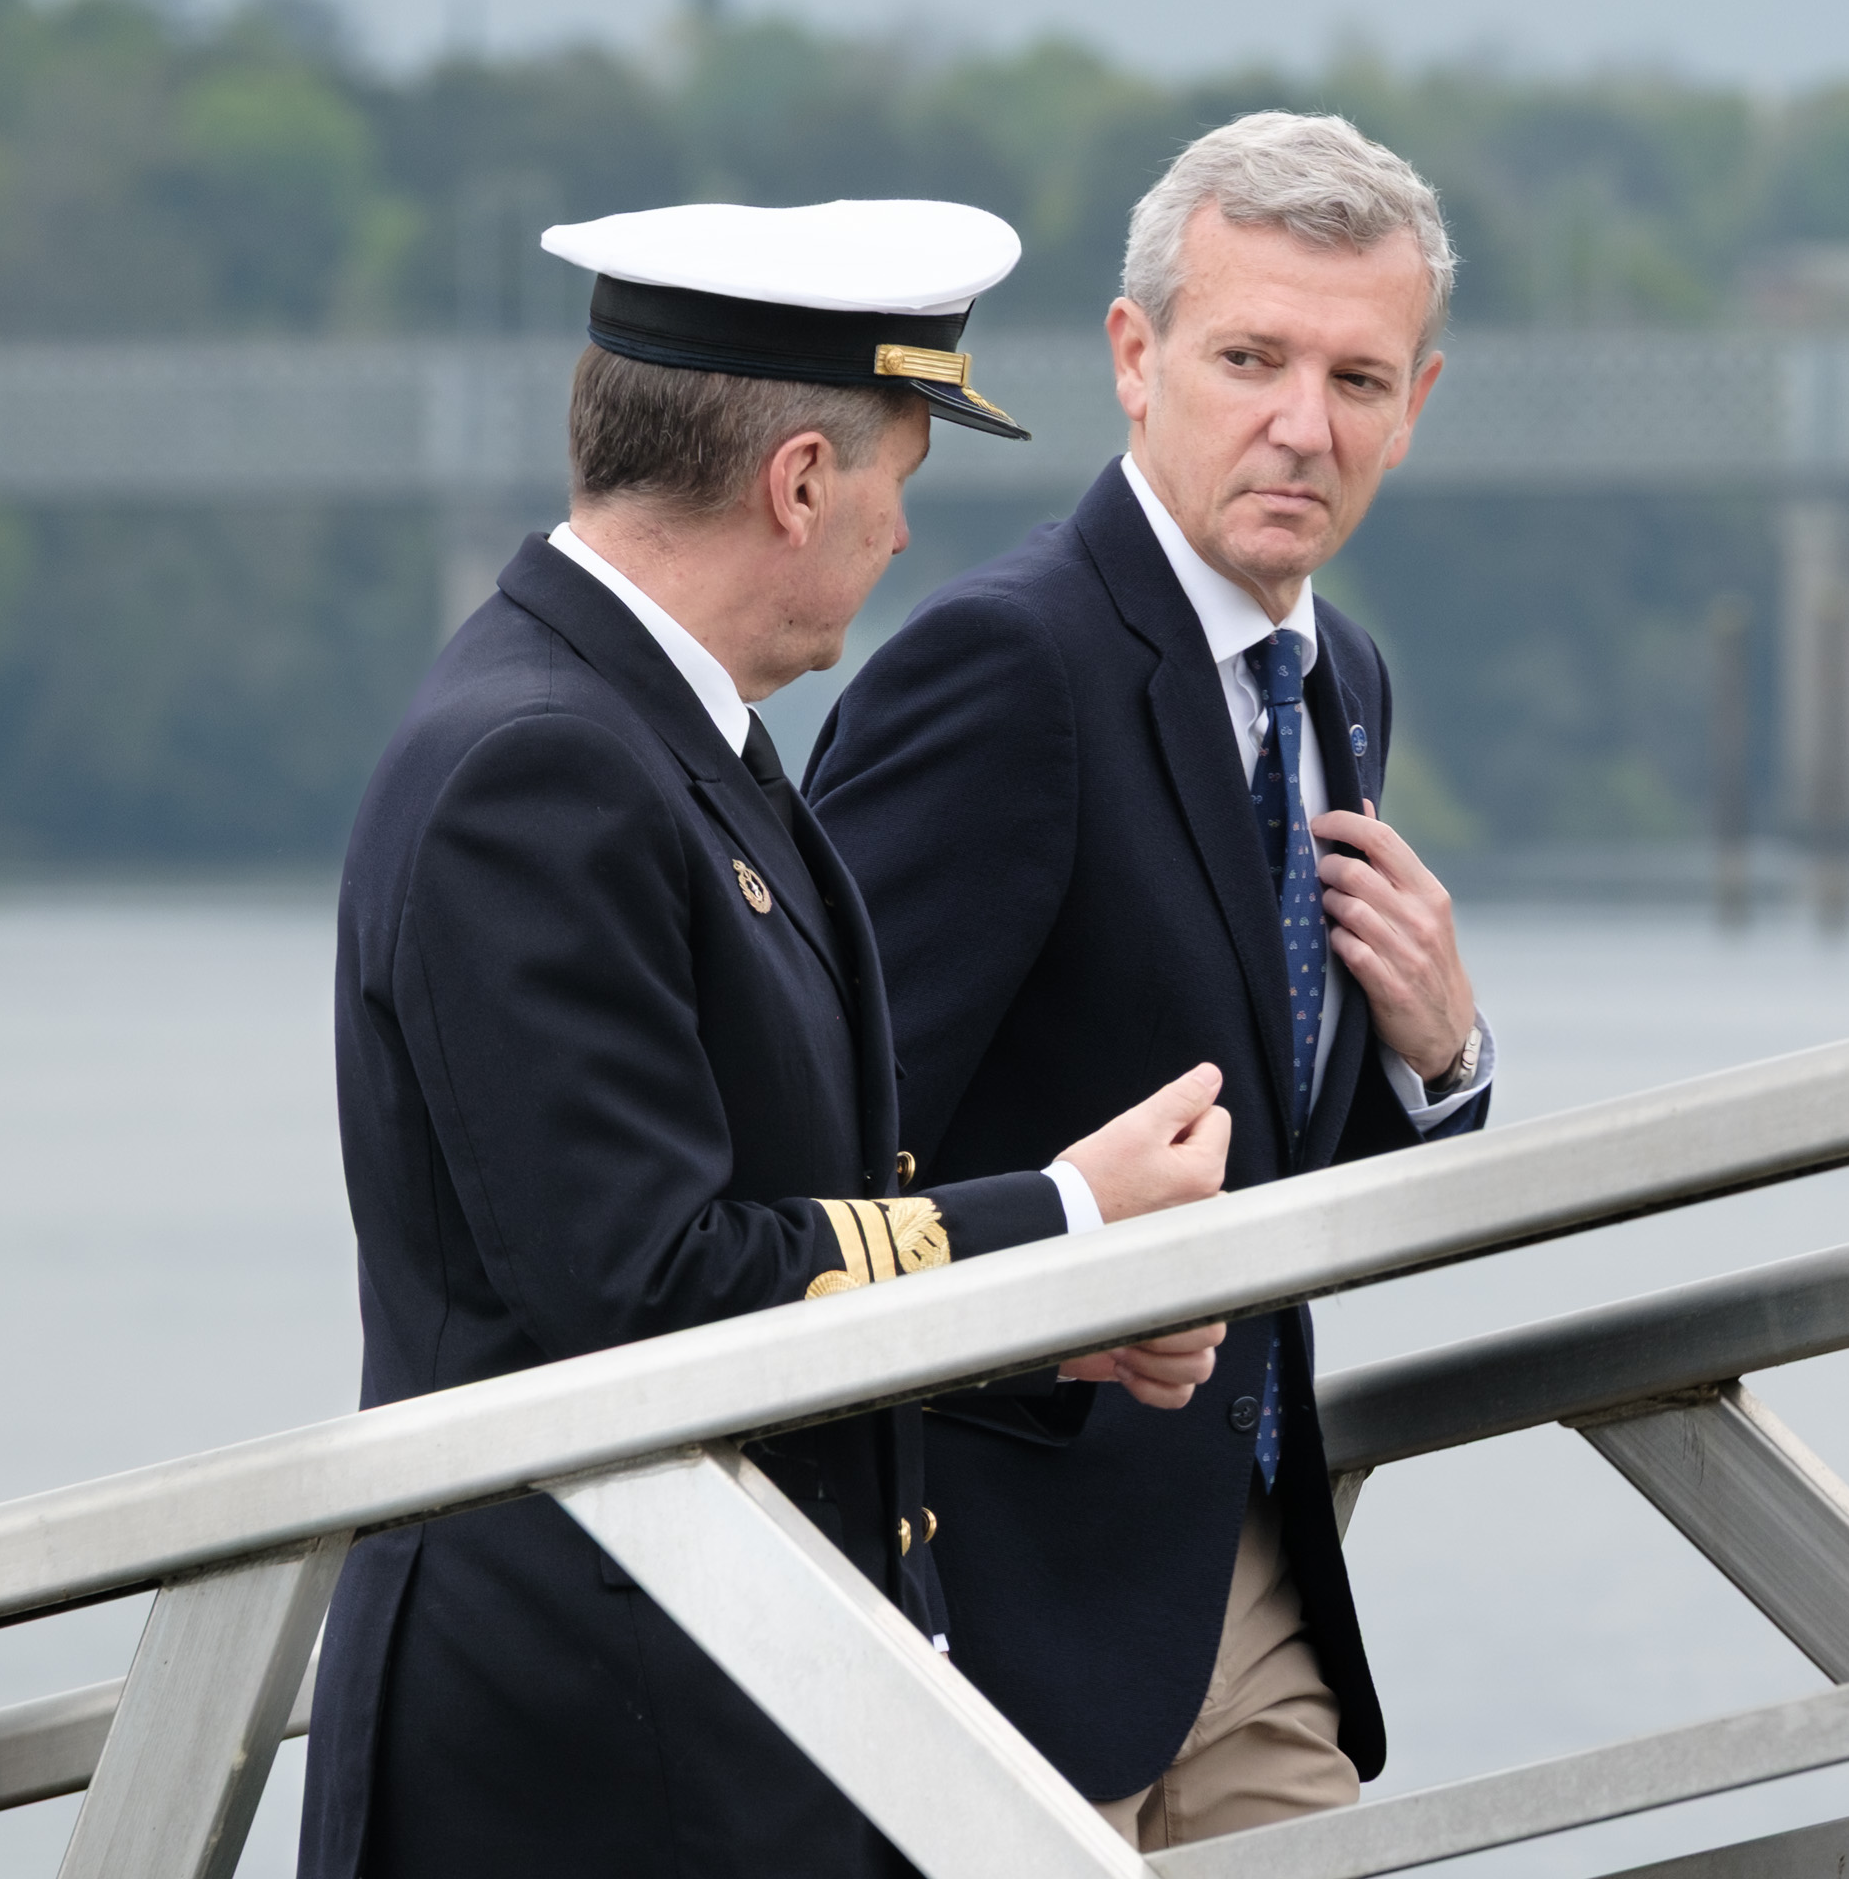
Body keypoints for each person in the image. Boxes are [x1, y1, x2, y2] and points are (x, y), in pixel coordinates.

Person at [300, 197, 1234, 1879]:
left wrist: (1044, 1330)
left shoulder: (654, 735)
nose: (900, 536)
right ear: (800, 482)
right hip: (587, 1760)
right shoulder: (543, 770)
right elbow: (646, 1290)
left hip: (710, 1708)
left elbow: (773, 1228)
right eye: (898, 482)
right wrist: (1069, 1221)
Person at [804, 114, 1492, 1849]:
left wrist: (1440, 1060)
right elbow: (806, 1161)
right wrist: (1062, 1282)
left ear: (1414, 404)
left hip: (1250, 1585)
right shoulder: (1004, 667)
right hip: (1001, 1603)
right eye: (1251, 359)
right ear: (1135, 356)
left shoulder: (1343, 682)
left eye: (1357, 378)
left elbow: (1271, 1164)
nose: (1303, 424)